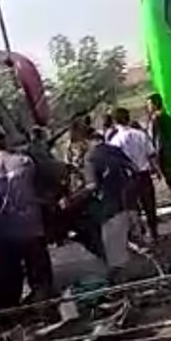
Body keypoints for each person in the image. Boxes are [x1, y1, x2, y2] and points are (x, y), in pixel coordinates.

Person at [0, 132, 54, 306]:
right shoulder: (25, 162)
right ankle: (44, 306)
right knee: (39, 274)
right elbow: (42, 187)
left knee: (13, 276)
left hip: (6, 233)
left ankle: (19, 311)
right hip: (32, 227)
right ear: (5, 143)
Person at [66, 118, 137, 276]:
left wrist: (73, 198)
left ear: (83, 141)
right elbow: (133, 169)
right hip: (128, 202)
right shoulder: (114, 149)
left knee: (115, 256)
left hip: (109, 209)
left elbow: (92, 186)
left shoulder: (91, 157)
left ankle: (126, 289)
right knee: (132, 242)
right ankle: (163, 267)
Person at [111, 107, 159, 242]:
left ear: (115, 122)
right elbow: (151, 154)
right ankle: (154, 232)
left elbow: (116, 162)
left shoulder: (115, 141)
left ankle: (140, 233)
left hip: (128, 177)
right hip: (144, 174)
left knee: (133, 207)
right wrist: (157, 169)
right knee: (149, 205)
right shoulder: (141, 134)